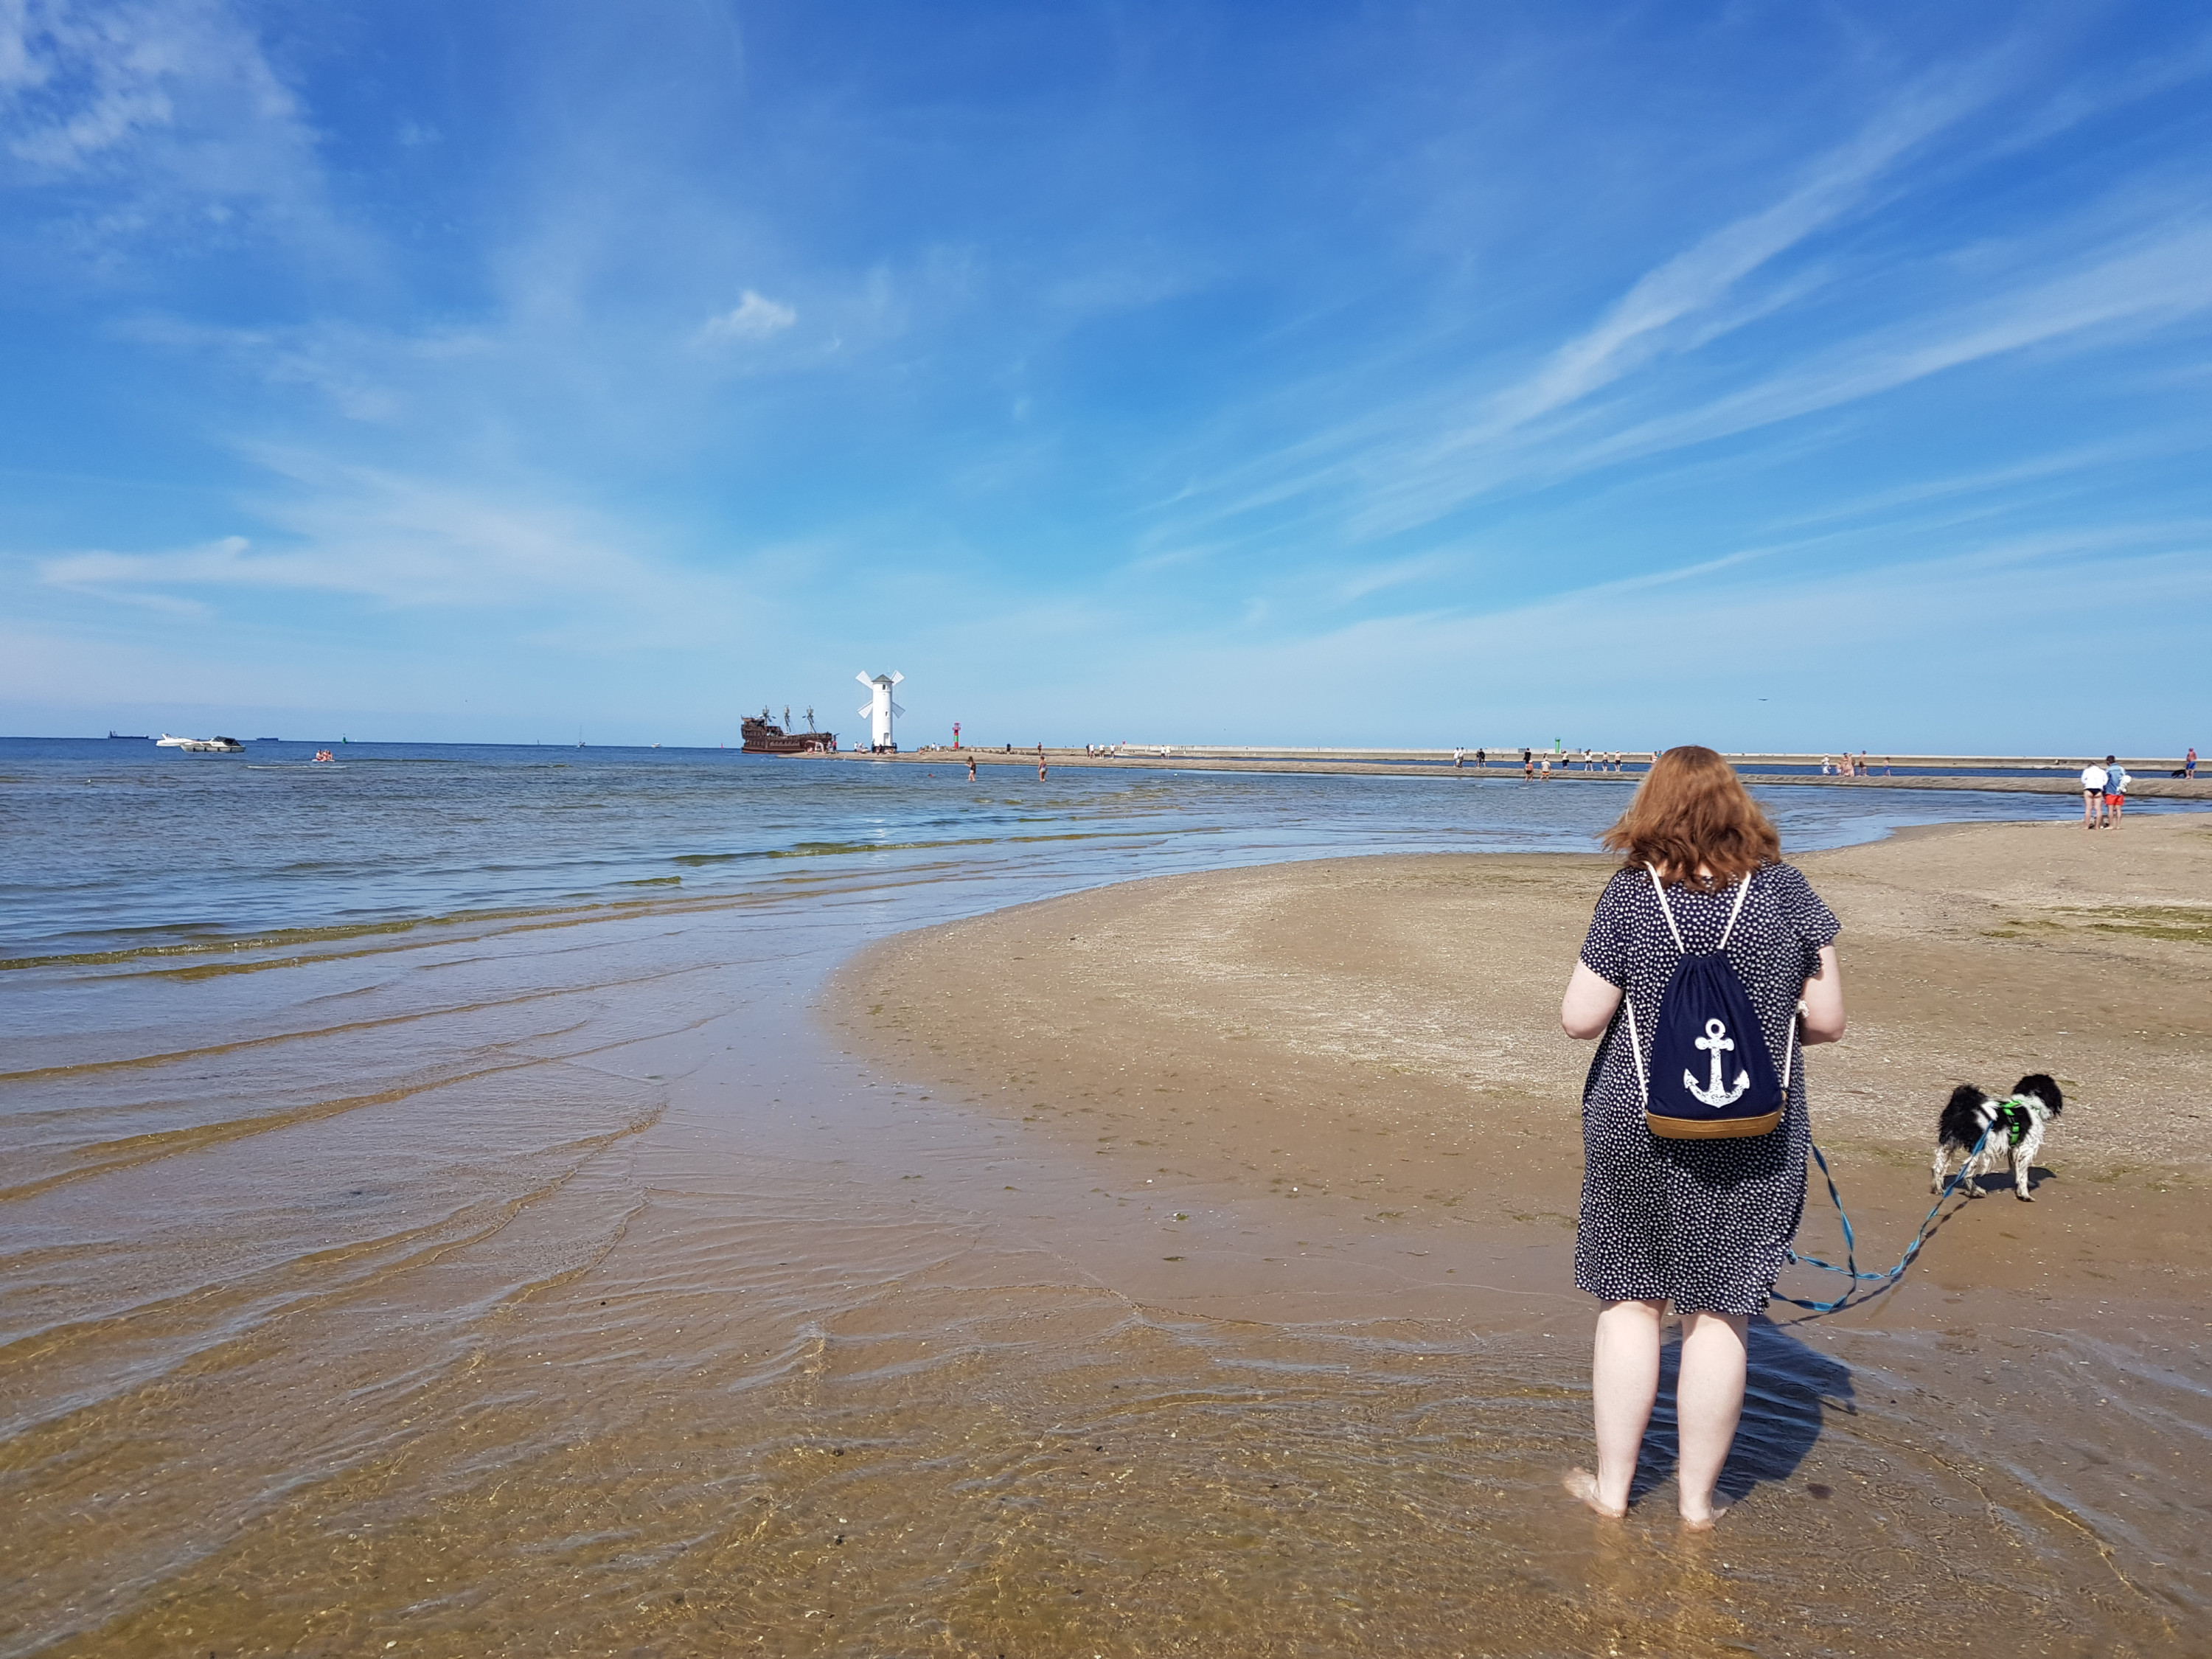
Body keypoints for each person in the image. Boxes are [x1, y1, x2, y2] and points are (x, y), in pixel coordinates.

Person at [1557, 745, 1846, 1528]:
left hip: (1636, 1122)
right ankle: (1696, 1504)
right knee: (1720, 1311)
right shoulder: (1787, 893)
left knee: (1629, 1302)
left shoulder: (1629, 898)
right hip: (1756, 1124)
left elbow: (1580, 1019)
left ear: (1651, 807)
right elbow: (1827, 1022)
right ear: (1737, 805)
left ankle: (1613, 1494)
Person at [2080, 758, 2107, 828]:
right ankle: (2097, 826)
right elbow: (2106, 781)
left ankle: (2086, 826)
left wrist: (2087, 783)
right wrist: (2101, 784)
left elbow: (2083, 780)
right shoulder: (2102, 771)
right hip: (2098, 789)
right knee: (2098, 808)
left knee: (2088, 808)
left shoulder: (2087, 771)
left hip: (2089, 789)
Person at [2103, 754, 2129, 827]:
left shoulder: (2108, 770)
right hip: (2120, 791)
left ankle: (2111, 825)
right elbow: (2125, 778)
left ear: (2108, 762)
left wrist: (2103, 791)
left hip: (2110, 791)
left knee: (2110, 809)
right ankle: (2118, 826)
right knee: (2119, 809)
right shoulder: (2121, 769)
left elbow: (2105, 781)